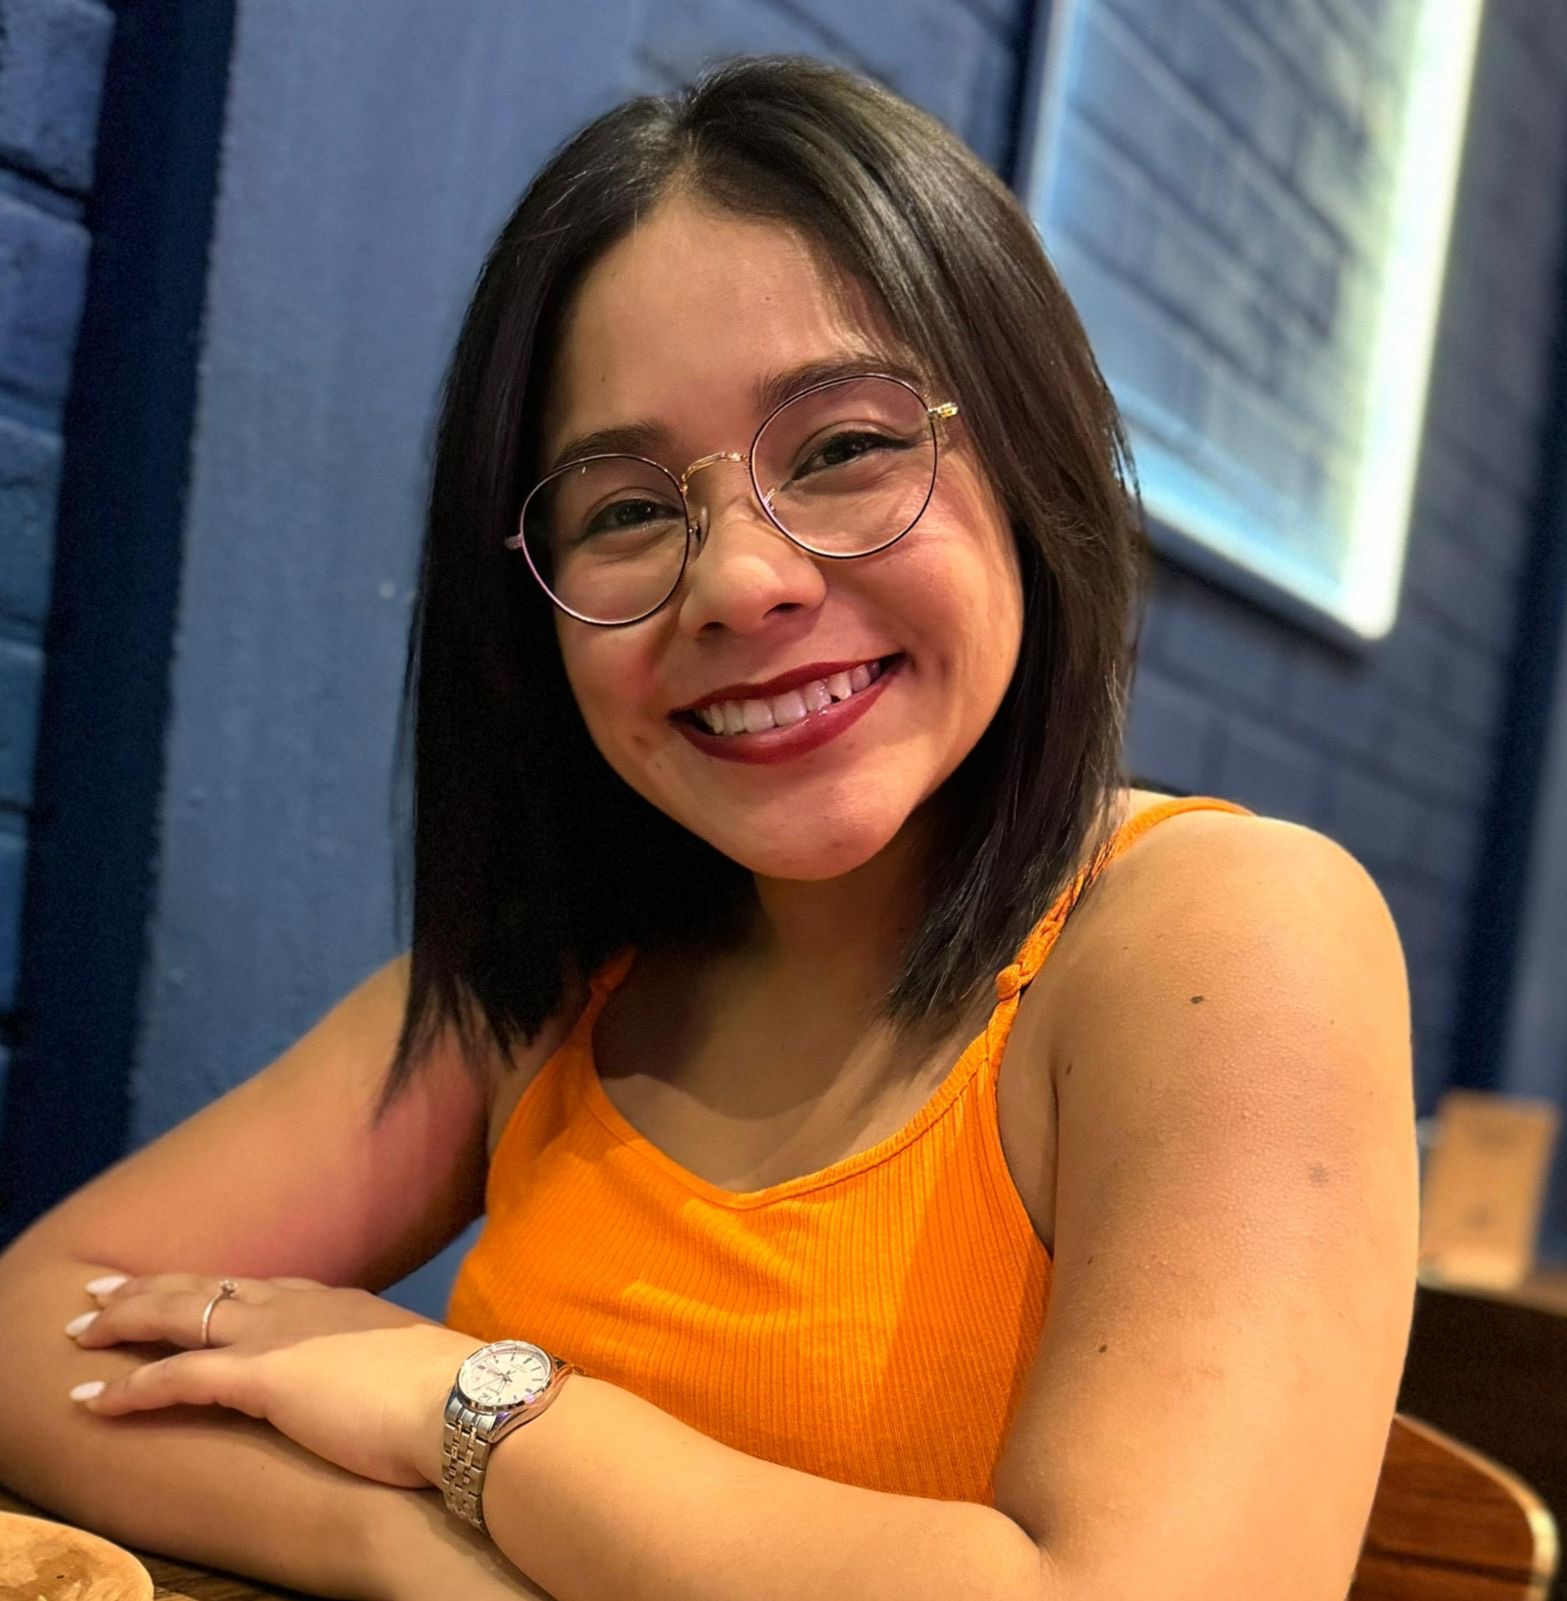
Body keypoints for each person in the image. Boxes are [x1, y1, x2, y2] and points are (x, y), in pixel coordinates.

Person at [0, 53, 1417, 1601]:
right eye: (623, 510)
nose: (741, 580)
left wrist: (474, 1414)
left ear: (1031, 454)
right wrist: (415, 1538)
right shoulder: (552, 985)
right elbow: (36, 1322)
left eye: (845, 447)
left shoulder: (1226, 933)